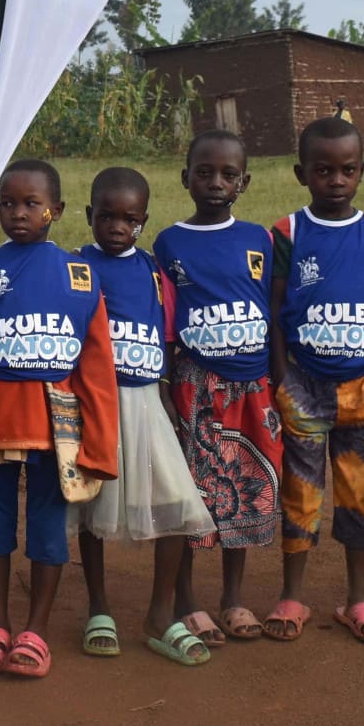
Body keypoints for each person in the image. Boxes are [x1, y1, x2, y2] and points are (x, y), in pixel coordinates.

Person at [0, 159, 121, 679]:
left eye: (31, 204)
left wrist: (100, 441)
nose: (17, 213)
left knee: (47, 528)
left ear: (56, 211)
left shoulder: (80, 273)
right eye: (7, 203)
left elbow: (95, 364)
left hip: (57, 427)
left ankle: (35, 631)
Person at [72, 167, 213, 665]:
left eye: (128, 219)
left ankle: (160, 614)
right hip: (96, 405)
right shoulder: (76, 267)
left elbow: (167, 337)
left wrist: (172, 397)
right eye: (106, 216)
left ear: (144, 221)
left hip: (147, 401)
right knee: (93, 505)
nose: (116, 226)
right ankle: (99, 606)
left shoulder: (154, 271)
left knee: (176, 501)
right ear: (90, 215)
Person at [269, 118, 364, 645]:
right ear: (303, 174)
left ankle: (359, 598)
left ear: (362, 172)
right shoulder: (288, 232)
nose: (336, 180)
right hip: (305, 387)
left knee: (357, 494)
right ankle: (292, 596)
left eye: (348, 170)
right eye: (323, 171)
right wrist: (283, 379)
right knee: (301, 493)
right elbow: (276, 308)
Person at [151, 131, 279, 643]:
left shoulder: (260, 239)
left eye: (228, 174)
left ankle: (233, 598)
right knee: (192, 494)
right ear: (186, 179)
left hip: (251, 388)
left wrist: (275, 380)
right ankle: (185, 598)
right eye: (204, 172)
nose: (216, 182)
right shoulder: (169, 242)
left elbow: (271, 311)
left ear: (244, 182)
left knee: (242, 491)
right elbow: (161, 316)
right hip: (194, 389)